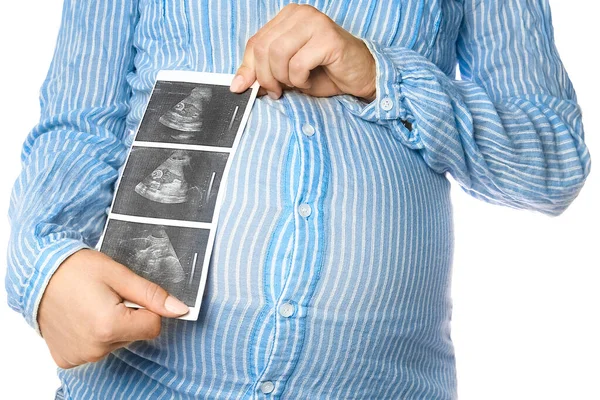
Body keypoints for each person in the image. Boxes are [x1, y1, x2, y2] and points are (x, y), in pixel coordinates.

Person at [5, 1, 591, 399]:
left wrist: (383, 76)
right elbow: (79, 123)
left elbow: (553, 161)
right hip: (146, 379)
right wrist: (42, 270)